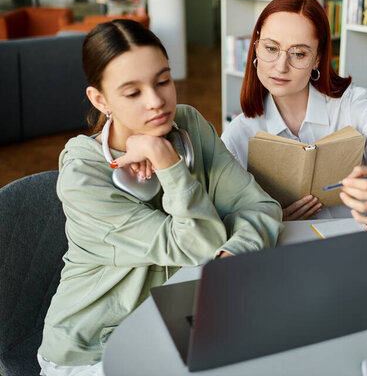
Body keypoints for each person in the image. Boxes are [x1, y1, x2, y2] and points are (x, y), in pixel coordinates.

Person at [37, 19, 283, 375]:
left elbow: (259, 207)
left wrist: (230, 257)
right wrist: (168, 163)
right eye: (133, 92)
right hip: (94, 347)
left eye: (163, 81)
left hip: (178, 318)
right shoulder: (83, 179)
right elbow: (198, 246)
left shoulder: (189, 125)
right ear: (100, 99)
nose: (157, 102)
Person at [221, 0, 367, 226]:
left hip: (352, 244)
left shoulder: (354, 103)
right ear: (256, 47)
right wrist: (268, 221)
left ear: (318, 58)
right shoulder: (238, 134)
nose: (281, 66)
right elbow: (224, 216)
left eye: (299, 54)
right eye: (271, 49)